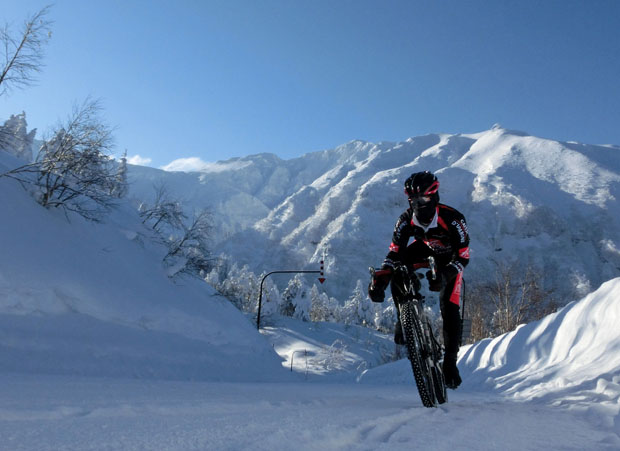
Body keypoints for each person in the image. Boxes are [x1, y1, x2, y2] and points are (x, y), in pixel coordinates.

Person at [368, 171, 470, 389]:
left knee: (449, 307)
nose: (417, 204)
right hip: (424, 252)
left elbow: (464, 257)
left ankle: (450, 363)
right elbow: (394, 254)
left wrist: (445, 276)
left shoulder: (453, 219)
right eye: (413, 200)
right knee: (398, 269)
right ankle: (403, 318)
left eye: (422, 199)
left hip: (450, 261)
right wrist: (381, 281)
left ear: (434, 197)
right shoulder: (405, 221)